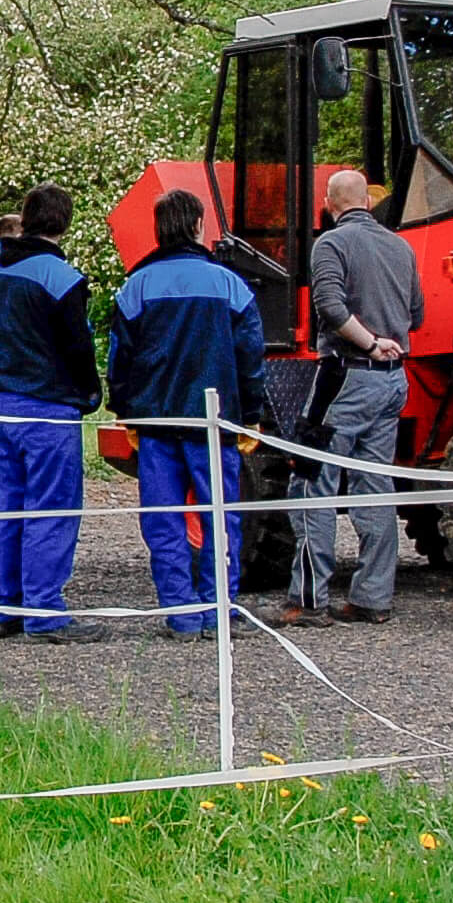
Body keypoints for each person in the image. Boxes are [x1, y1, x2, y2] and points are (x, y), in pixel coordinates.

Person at [108, 189, 265, 639]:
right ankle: (220, 610)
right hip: (212, 423)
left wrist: (125, 411)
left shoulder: (137, 285)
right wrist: (249, 414)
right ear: (199, 225)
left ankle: (180, 613)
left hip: (155, 422)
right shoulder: (229, 283)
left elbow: (120, 357)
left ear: (159, 229)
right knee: (220, 518)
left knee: (163, 519)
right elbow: (250, 356)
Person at [279, 169, 423, 626]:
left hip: (346, 377)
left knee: (310, 479)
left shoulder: (331, 245)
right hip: (393, 382)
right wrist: (388, 340)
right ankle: (371, 598)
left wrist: (367, 341)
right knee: (374, 485)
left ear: (328, 202)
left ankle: (308, 600)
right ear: (368, 201)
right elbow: (416, 313)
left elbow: (330, 305)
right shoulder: (401, 247)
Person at [0, 183, 102, 643]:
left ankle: (4, 604)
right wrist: (90, 393)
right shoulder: (62, 277)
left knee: (5, 505)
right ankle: (44, 609)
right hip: (47, 408)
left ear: (25, 219)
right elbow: (77, 347)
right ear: (64, 222)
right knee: (51, 508)